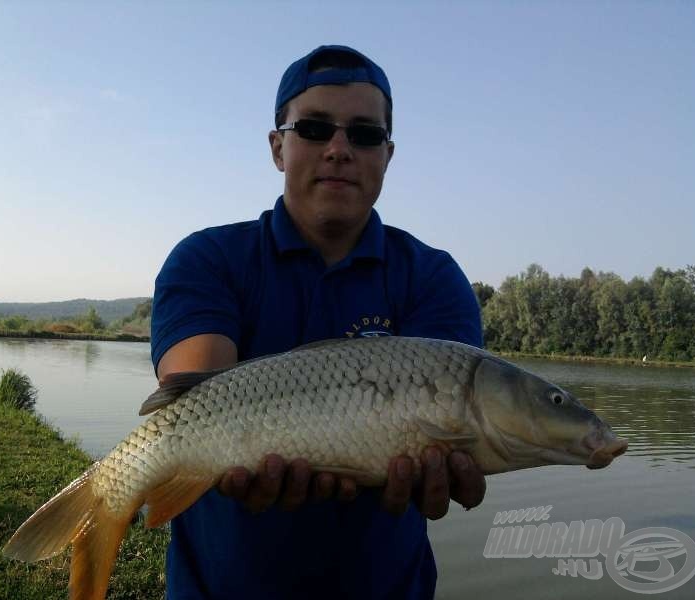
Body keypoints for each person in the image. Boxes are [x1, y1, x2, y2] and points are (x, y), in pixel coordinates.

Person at [151, 44, 486, 600]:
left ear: (388, 154)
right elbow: (195, 399)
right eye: (313, 128)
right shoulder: (207, 259)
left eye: (364, 134)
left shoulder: (432, 277)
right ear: (278, 147)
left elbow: (451, 432)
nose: (338, 149)